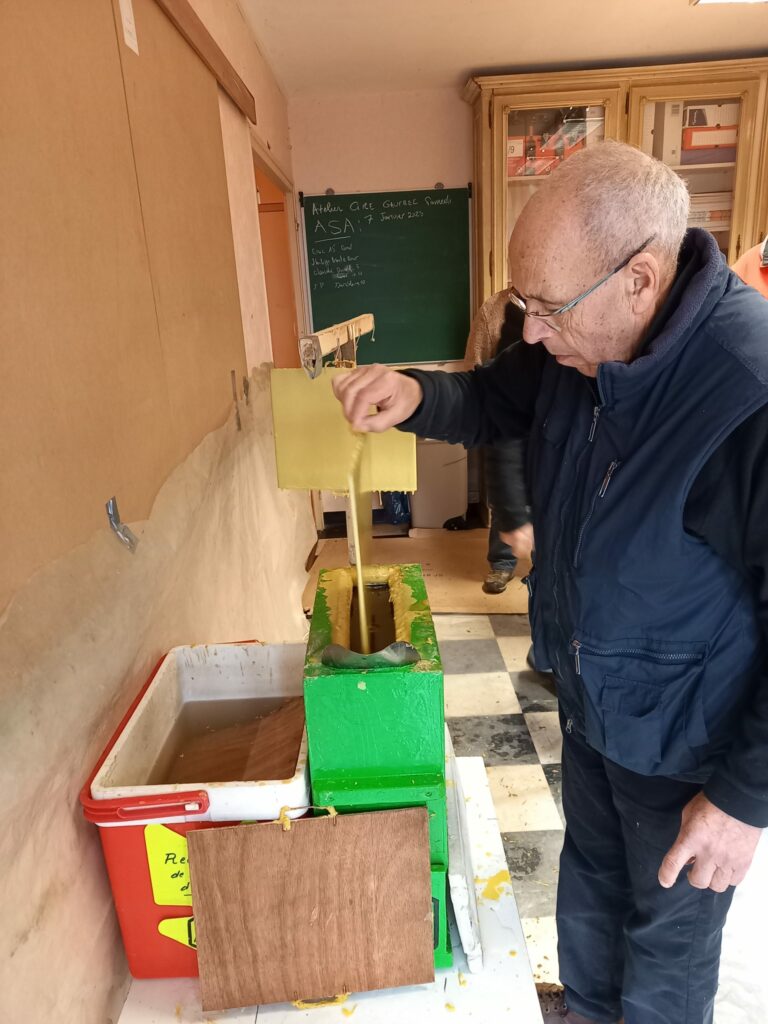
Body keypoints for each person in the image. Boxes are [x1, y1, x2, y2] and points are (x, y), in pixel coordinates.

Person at [331, 140, 768, 1024]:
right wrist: (417, 395)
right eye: (524, 304)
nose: (531, 331)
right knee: (592, 891)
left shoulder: (746, 390)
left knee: (666, 948)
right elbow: (497, 398)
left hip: (689, 740)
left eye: (547, 309)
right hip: (596, 700)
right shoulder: (576, 342)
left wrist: (743, 799)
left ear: (640, 280)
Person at [465, 297, 533, 592]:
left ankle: (544, 567)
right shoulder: (493, 308)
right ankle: (502, 564)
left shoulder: (567, 297)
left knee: (547, 492)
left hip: (548, 413)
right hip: (504, 410)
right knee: (504, 489)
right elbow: (474, 361)